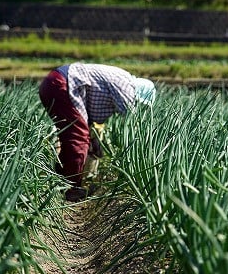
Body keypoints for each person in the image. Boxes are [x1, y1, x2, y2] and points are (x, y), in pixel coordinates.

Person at [39, 62, 156, 202]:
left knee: (70, 135)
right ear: (139, 93)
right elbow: (132, 121)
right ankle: (72, 188)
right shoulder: (128, 87)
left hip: (55, 82)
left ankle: (61, 175)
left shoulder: (121, 79)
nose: (137, 105)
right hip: (62, 84)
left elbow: (87, 117)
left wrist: (94, 141)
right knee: (78, 138)